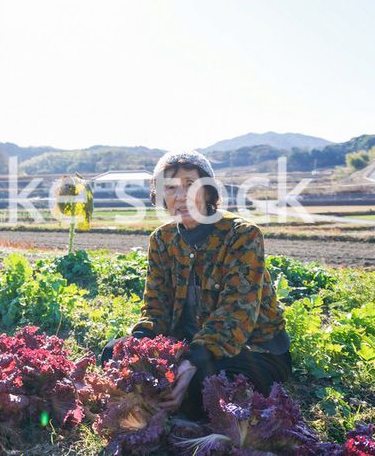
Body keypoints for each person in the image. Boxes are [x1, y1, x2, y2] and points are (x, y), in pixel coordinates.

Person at [100, 150, 291, 418]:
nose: (181, 196)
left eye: (190, 185)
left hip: (249, 350)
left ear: (208, 191)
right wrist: (139, 345)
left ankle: (174, 402)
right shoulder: (162, 240)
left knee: (211, 385)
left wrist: (192, 362)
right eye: (170, 188)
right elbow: (155, 308)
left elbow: (236, 314)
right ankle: (169, 401)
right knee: (115, 352)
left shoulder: (242, 235)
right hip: (189, 346)